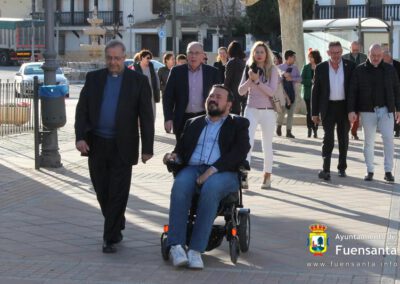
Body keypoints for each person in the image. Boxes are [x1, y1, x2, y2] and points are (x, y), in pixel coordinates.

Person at [75, 40, 154, 253]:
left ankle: (109, 237)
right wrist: (80, 137)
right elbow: (81, 110)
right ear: (105, 58)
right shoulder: (94, 79)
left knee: (118, 192)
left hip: (123, 145)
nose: (113, 62)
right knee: (102, 190)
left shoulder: (137, 81)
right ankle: (116, 221)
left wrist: (148, 147)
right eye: (109, 58)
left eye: (117, 58)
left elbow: (146, 116)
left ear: (124, 57)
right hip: (96, 144)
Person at [163, 84, 250, 269]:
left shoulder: (238, 123)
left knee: (211, 188)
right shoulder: (193, 123)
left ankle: (195, 250)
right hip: (193, 168)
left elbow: (240, 152)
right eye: (211, 96)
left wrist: (212, 170)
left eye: (219, 97)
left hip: (224, 172)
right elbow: (181, 151)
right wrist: (172, 156)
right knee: (180, 185)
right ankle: (176, 246)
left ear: (229, 105)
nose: (213, 99)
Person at [348, 44, 400, 183]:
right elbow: (352, 91)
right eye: (373, 56)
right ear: (368, 54)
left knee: (388, 139)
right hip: (367, 110)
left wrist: (398, 109)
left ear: (382, 55)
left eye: (378, 56)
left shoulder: (390, 70)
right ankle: (369, 170)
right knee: (368, 141)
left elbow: (397, 89)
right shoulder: (359, 70)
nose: (376, 58)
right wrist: (352, 110)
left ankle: (388, 171)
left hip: (386, 110)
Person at [312, 41, 355, 181]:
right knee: (328, 138)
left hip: (344, 108)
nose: (336, 56)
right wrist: (314, 113)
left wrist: (353, 110)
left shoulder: (350, 66)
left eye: (338, 52)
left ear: (342, 52)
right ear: (328, 53)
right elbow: (316, 91)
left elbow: (354, 91)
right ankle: (326, 169)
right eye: (333, 53)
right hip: (328, 108)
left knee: (343, 138)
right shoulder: (321, 68)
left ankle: (342, 168)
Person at [238, 41, 279, 189]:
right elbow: (241, 91)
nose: (259, 55)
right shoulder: (248, 69)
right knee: (247, 143)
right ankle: (244, 176)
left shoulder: (272, 70)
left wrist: (256, 82)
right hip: (251, 109)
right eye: (257, 52)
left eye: (262, 52)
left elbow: (271, 92)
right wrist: (250, 79)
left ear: (267, 54)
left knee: (267, 144)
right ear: (253, 54)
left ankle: (267, 175)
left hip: (268, 111)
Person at [163, 41, 220, 140]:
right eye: (190, 53)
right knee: (182, 152)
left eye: (197, 53)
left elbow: (219, 97)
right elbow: (168, 97)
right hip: (182, 119)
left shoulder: (212, 72)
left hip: (205, 118)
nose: (193, 56)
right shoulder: (176, 72)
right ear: (186, 55)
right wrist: (168, 118)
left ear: (203, 56)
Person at [342, 41, 368, 140]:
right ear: (350, 49)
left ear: (360, 49)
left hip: (361, 89)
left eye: (357, 50)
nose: (355, 52)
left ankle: (354, 132)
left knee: (357, 112)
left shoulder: (365, 58)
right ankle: (346, 130)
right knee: (347, 111)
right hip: (347, 88)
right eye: (353, 50)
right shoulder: (344, 58)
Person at [276, 50, 302, 138]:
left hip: (292, 94)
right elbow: (276, 81)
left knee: (291, 114)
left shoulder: (295, 68)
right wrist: (283, 76)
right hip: (282, 94)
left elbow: (300, 79)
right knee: (282, 112)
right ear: (289, 57)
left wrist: (292, 78)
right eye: (293, 57)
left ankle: (289, 131)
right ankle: (279, 126)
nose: (295, 59)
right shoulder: (279, 67)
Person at [133, 49, 160, 120]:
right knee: (139, 116)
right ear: (142, 57)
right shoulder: (135, 69)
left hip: (151, 95)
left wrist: (157, 93)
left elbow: (157, 82)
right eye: (147, 58)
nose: (149, 60)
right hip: (140, 96)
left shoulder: (151, 69)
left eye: (150, 58)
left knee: (151, 116)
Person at [301, 49, 322, 138]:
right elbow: (301, 79)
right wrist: (310, 81)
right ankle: (309, 128)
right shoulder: (306, 67)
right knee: (309, 111)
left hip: (318, 93)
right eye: (309, 57)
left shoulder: (321, 66)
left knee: (317, 111)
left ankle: (315, 129)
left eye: (311, 57)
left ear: (315, 57)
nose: (310, 59)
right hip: (308, 93)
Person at [382, 47, 400, 137]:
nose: (382, 59)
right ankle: (391, 129)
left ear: (389, 57)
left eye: (384, 57)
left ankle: (397, 130)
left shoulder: (397, 65)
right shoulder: (381, 65)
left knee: (398, 110)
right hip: (386, 92)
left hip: (397, 90)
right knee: (390, 111)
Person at [224, 41, 246, 115]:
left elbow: (228, 80)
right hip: (243, 91)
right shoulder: (244, 62)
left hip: (233, 93)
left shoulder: (231, 63)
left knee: (233, 116)